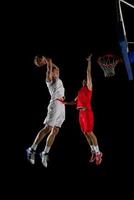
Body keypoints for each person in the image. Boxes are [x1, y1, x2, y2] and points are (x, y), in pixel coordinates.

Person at [26, 55, 65, 167]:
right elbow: (49, 67)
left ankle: (45, 152)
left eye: (54, 71)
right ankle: (31, 149)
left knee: (56, 130)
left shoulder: (57, 77)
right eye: (52, 71)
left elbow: (57, 68)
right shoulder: (48, 79)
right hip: (55, 104)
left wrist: (48, 62)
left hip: (62, 105)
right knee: (47, 128)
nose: (55, 71)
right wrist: (46, 60)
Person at [64, 54, 103, 165]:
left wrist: (89, 62)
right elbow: (74, 101)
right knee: (85, 133)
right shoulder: (80, 91)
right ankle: (93, 151)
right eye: (84, 80)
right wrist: (64, 102)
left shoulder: (89, 88)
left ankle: (99, 152)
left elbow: (88, 73)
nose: (85, 80)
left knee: (90, 132)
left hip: (87, 112)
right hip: (80, 113)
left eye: (86, 79)